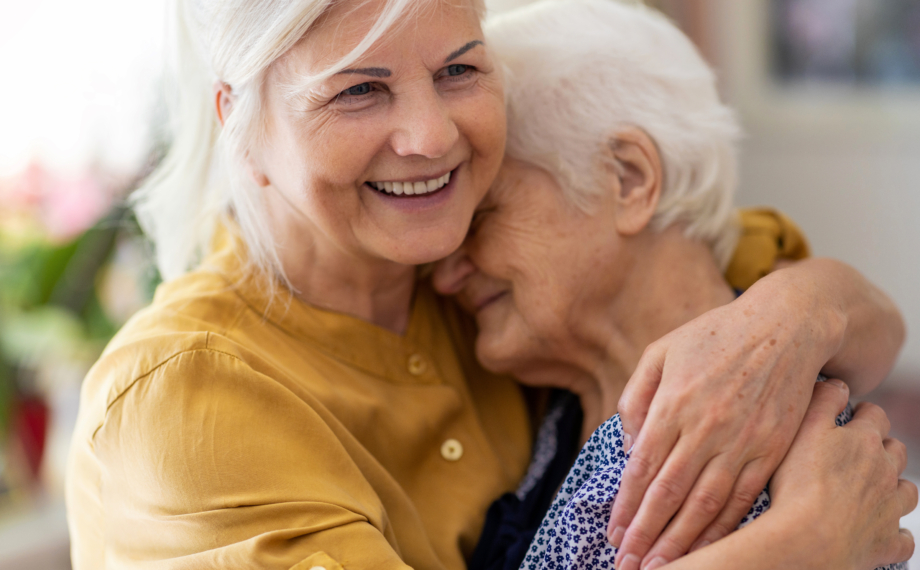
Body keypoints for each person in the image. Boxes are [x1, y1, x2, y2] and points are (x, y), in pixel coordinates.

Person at [65, 0, 909, 567]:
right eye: (358, 90)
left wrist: (804, 311)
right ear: (239, 123)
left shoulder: (458, 278)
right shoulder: (181, 400)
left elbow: (771, 285)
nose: (431, 138)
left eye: (460, 71)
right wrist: (801, 548)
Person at [432, 1, 917, 568]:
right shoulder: (553, 412)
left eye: (483, 214)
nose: (445, 272)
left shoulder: (779, 441)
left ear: (629, 179)